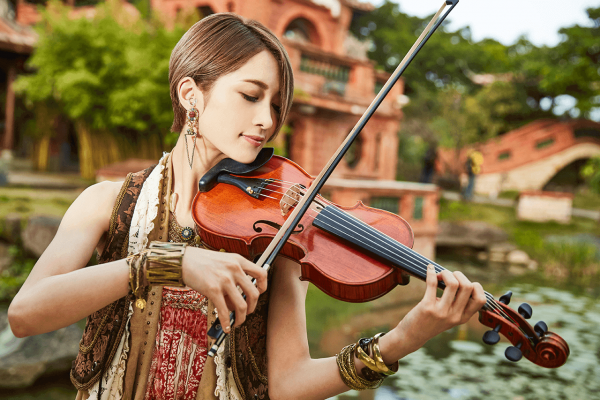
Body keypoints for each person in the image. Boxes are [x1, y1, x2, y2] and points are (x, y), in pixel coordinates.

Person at [8, 13, 487, 400]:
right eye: (251, 95)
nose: (267, 120)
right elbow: (25, 315)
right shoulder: (108, 203)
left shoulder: (281, 232)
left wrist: (401, 340)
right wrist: (166, 263)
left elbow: (286, 383)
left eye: (277, 105)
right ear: (191, 95)